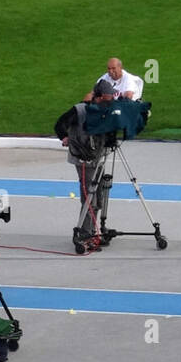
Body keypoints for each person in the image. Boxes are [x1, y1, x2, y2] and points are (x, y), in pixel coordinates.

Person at [55, 80, 117, 251]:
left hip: (97, 157)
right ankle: (85, 233)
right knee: (89, 198)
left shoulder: (106, 111)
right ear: (97, 97)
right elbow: (60, 124)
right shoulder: (80, 110)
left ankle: (91, 231)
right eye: (106, 99)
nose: (108, 103)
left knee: (98, 196)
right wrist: (64, 137)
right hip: (83, 159)